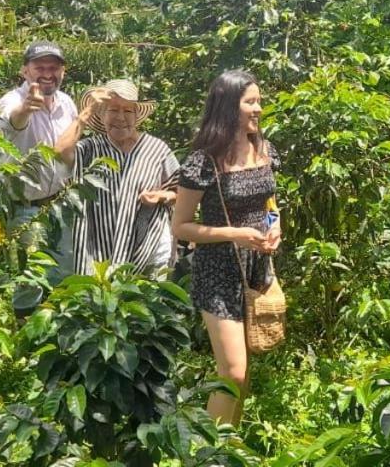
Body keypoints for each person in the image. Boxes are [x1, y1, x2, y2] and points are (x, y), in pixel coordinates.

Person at [172, 70, 282, 426]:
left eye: (259, 101)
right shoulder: (204, 162)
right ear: (228, 107)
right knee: (232, 371)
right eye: (250, 101)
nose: (259, 108)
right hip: (217, 270)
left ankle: (228, 447)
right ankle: (206, 456)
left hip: (255, 267)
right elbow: (181, 227)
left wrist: (274, 224)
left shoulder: (265, 149)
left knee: (245, 370)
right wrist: (233, 233)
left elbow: (270, 203)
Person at [55, 79, 179, 276]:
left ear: (137, 115)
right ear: (102, 115)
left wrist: (162, 196)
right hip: (98, 248)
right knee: (97, 302)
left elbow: (181, 193)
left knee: (148, 301)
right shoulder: (91, 148)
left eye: (128, 111)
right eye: (113, 110)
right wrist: (87, 112)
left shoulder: (157, 149)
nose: (120, 117)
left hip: (149, 246)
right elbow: (60, 152)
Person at [0, 41, 77, 279]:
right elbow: (14, 121)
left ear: (63, 71)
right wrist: (26, 109)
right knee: (28, 282)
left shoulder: (67, 103)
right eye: (39, 68)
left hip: (61, 206)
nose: (47, 74)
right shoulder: (11, 101)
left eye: (53, 68)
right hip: (25, 211)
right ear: (25, 71)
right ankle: (25, 318)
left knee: (63, 277)